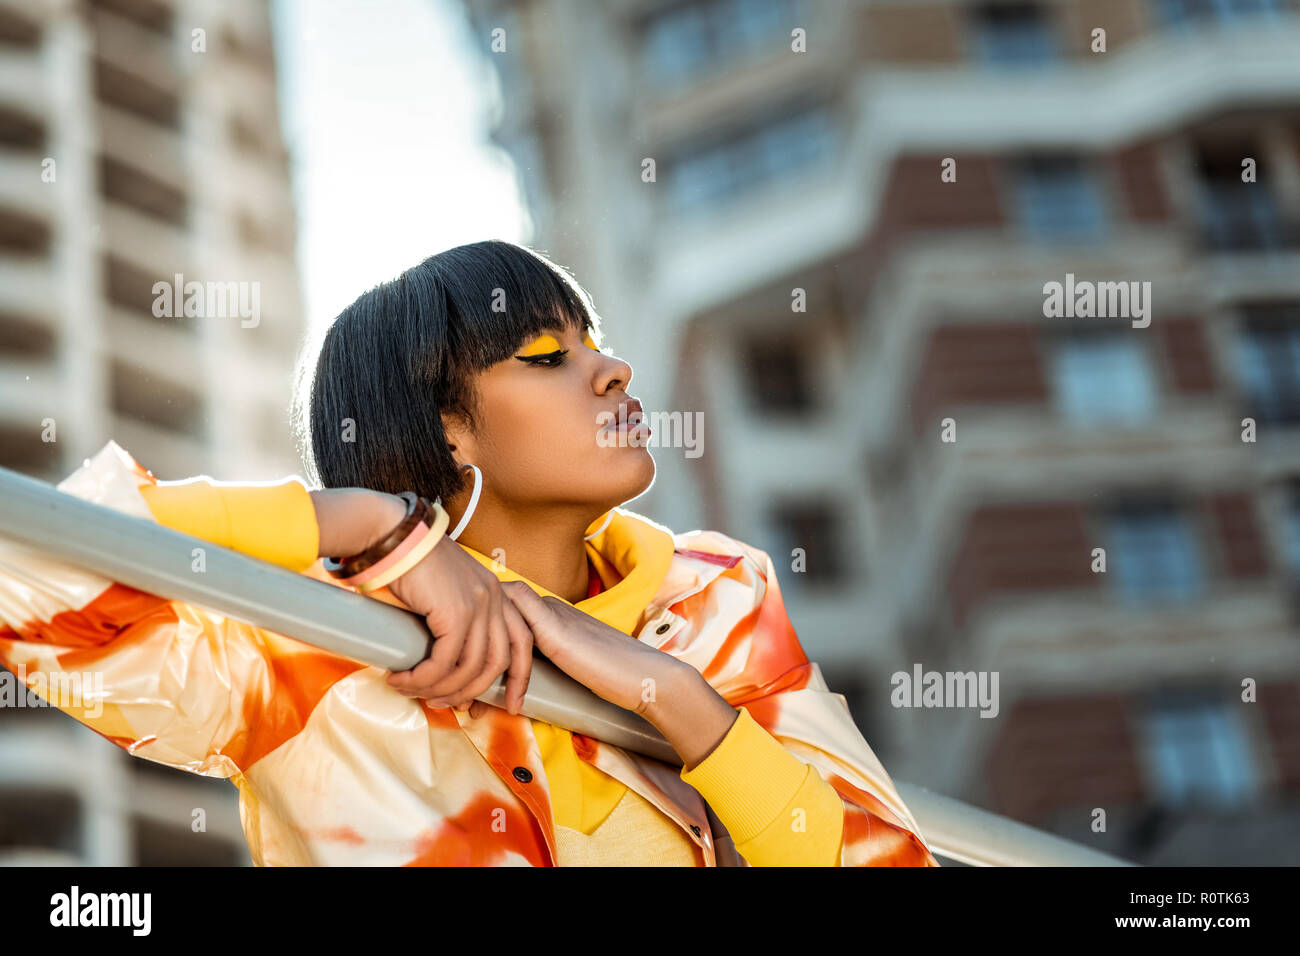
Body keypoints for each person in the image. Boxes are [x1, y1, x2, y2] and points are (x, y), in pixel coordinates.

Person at [0, 240, 939, 867]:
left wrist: (685, 706)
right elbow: (29, 572)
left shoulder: (717, 601)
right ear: (450, 432)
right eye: (543, 354)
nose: (613, 371)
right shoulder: (308, 648)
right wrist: (369, 526)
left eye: (595, 344)